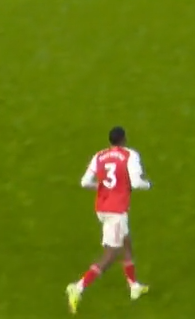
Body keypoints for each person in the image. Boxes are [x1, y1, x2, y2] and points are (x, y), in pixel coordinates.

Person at [67, 126, 152, 312]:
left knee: (126, 242)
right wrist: (148, 185)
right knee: (111, 253)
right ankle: (79, 287)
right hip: (116, 210)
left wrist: (102, 187)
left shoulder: (99, 156)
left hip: (102, 207)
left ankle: (134, 286)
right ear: (124, 139)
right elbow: (136, 183)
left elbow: (84, 182)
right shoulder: (130, 155)